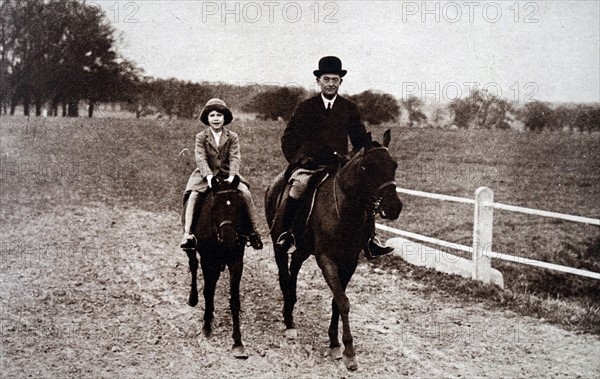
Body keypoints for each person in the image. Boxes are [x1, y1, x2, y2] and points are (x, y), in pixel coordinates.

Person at [275, 56, 393, 259]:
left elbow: (358, 140)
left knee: (363, 189)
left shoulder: (349, 108)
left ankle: (369, 239)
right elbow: (288, 139)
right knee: (298, 187)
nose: (330, 83)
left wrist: (372, 151)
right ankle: (288, 234)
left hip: (338, 165)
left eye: (335, 80)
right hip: (309, 165)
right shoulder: (306, 107)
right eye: (326, 79)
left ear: (340, 82)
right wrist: (298, 160)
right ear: (318, 81)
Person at [181, 98, 263, 250]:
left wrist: (232, 175)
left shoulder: (232, 136)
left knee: (245, 193)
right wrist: (209, 176)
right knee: (193, 195)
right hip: (205, 175)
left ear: (225, 118)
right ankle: (188, 234)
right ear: (207, 118)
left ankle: (253, 231)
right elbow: (200, 158)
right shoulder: (201, 137)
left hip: (227, 174)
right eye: (212, 115)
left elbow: (234, 157)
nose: (216, 119)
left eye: (219, 115)